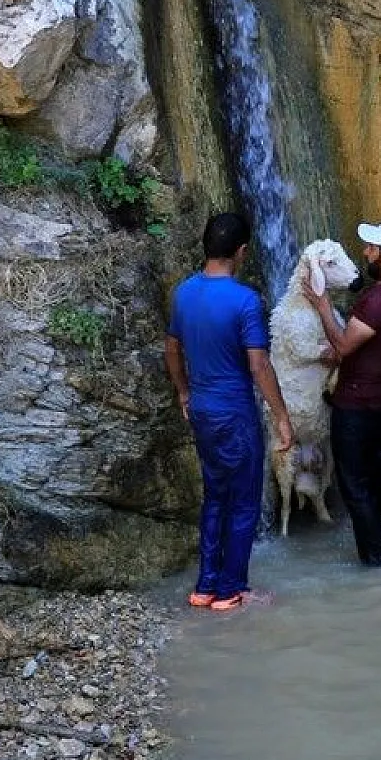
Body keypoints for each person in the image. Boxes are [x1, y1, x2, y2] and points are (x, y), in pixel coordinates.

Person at [164, 212, 295, 611]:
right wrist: (281, 418)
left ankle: (205, 586)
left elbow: (171, 349)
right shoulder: (245, 301)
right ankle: (231, 589)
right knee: (243, 501)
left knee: (215, 496)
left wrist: (184, 393)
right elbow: (258, 365)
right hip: (234, 413)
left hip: (202, 409)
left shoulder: (184, 292)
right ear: (241, 252)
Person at [301, 218, 381, 566]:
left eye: (373, 248)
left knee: (355, 485)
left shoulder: (379, 300)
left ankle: (379, 561)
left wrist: (323, 305)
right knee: (379, 470)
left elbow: (342, 343)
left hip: (356, 406)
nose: (366, 252)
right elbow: (362, 345)